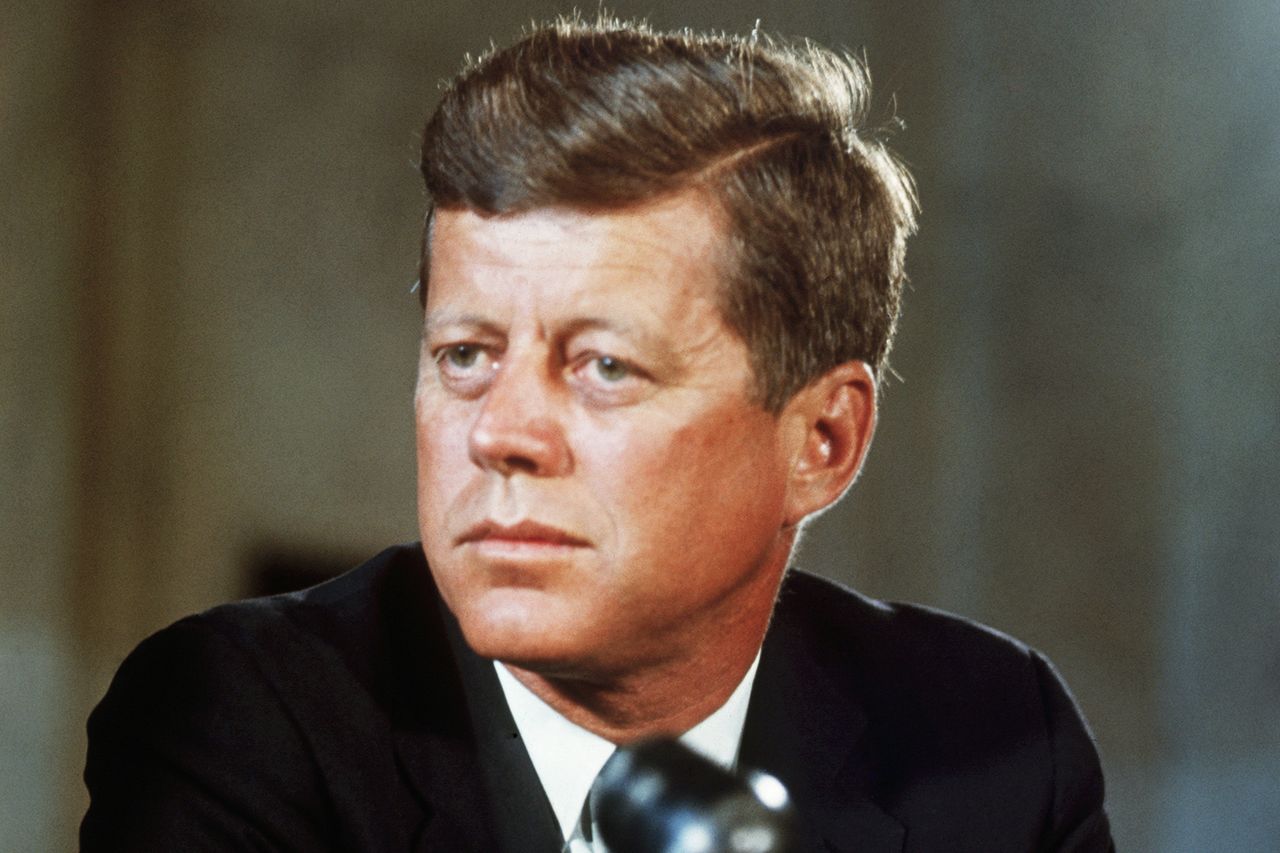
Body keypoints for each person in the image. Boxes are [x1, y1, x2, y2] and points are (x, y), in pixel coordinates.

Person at [81, 16, 1114, 852]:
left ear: (822, 442)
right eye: (466, 356)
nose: (502, 434)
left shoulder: (989, 743)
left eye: (603, 367)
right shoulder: (244, 724)